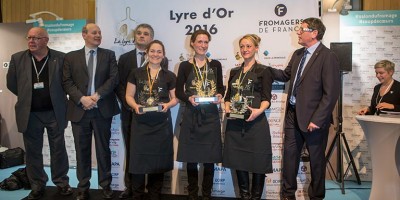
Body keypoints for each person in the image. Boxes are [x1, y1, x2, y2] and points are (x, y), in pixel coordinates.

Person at [271, 17, 340, 200]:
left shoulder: (328, 56)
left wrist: (317, 119)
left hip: (314, 121)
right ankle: (287, 195)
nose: (298, 32)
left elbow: (331, 93)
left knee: (317, 163)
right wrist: (263, 68)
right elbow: (285, 75)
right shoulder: (297, 54)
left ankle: (316, 197)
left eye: (301, 29)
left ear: (314, 33)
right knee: (289, 158)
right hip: (292, 116)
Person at [6, 27, 72, 200]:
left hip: (54, 112)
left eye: (36, 38)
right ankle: (37, 185)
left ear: (46, 40)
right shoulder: (17, 58)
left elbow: (67, 83)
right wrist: (27, 97)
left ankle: (62, 182)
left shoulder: (61, 57)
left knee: (58, 150)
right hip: (30, 114)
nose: (31, 41)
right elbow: (11, 84)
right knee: (33, 151)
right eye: (29, 37)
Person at [62, 23, 120, 200]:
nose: (98, 35)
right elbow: (67, 81)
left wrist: (96, 96)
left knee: (104, 150)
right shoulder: (70, 57)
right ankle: (83, 186)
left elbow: (113, 78)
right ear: (84, 35)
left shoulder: (109, 55)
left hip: (102, 109)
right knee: (82, 150)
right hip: (80, 110)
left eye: (100, 33)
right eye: (94, 32)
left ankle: (106, 185)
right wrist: (82, 98)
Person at [116, 23, 168, 199]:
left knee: (153, 152)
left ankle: (152, 190)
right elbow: (120, 85)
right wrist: (131, 105)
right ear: (134, 36)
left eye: (146, 34)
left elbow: (162, 89)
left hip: (154, 117)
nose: (141, 36)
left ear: (151, 38)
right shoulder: (124, 59)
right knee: (133, 152)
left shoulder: (162, 60)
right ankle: (130, 188)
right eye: (138, 33)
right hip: (130, 113)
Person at [125, 40, 178, 200]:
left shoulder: (169, 75)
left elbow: (175, 99)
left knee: (158, 162)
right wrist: (135, 106)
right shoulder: (136, 73)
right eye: (153, 51)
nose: (156, 54)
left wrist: (167, 105)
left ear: (163, 54)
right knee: (138, 162)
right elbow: (128, 95)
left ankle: (155, 195)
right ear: (147, 53)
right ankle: (137, 195)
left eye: (159, 52)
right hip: (140, 124)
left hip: (161, 125)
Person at [223, 34, 273, 200]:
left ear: (256, 48)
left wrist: (258, 111)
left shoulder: (264, 71)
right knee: (239, 161)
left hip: (256, 123)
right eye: (242, 46)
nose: (245, 49)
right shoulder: (234, 72)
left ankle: (256, 197)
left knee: (258, 163)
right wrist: (227, 108)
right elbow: (228, 97)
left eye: (248, 46)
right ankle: (245, 196)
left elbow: (266, 99)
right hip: (235, 125)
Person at [175, 29, 224, 200]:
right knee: (191, 158)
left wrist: (219, 95)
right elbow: (179, 92)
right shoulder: (184, 66)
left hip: (210, 116)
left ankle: (207, 194)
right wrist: (188, 98)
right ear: (193, 43)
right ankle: (193, 194)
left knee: (209, 158)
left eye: (206, 42)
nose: (203, 45)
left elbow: (220, 88)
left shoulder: (215, 64)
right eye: (200, 42)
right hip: (191, 115)